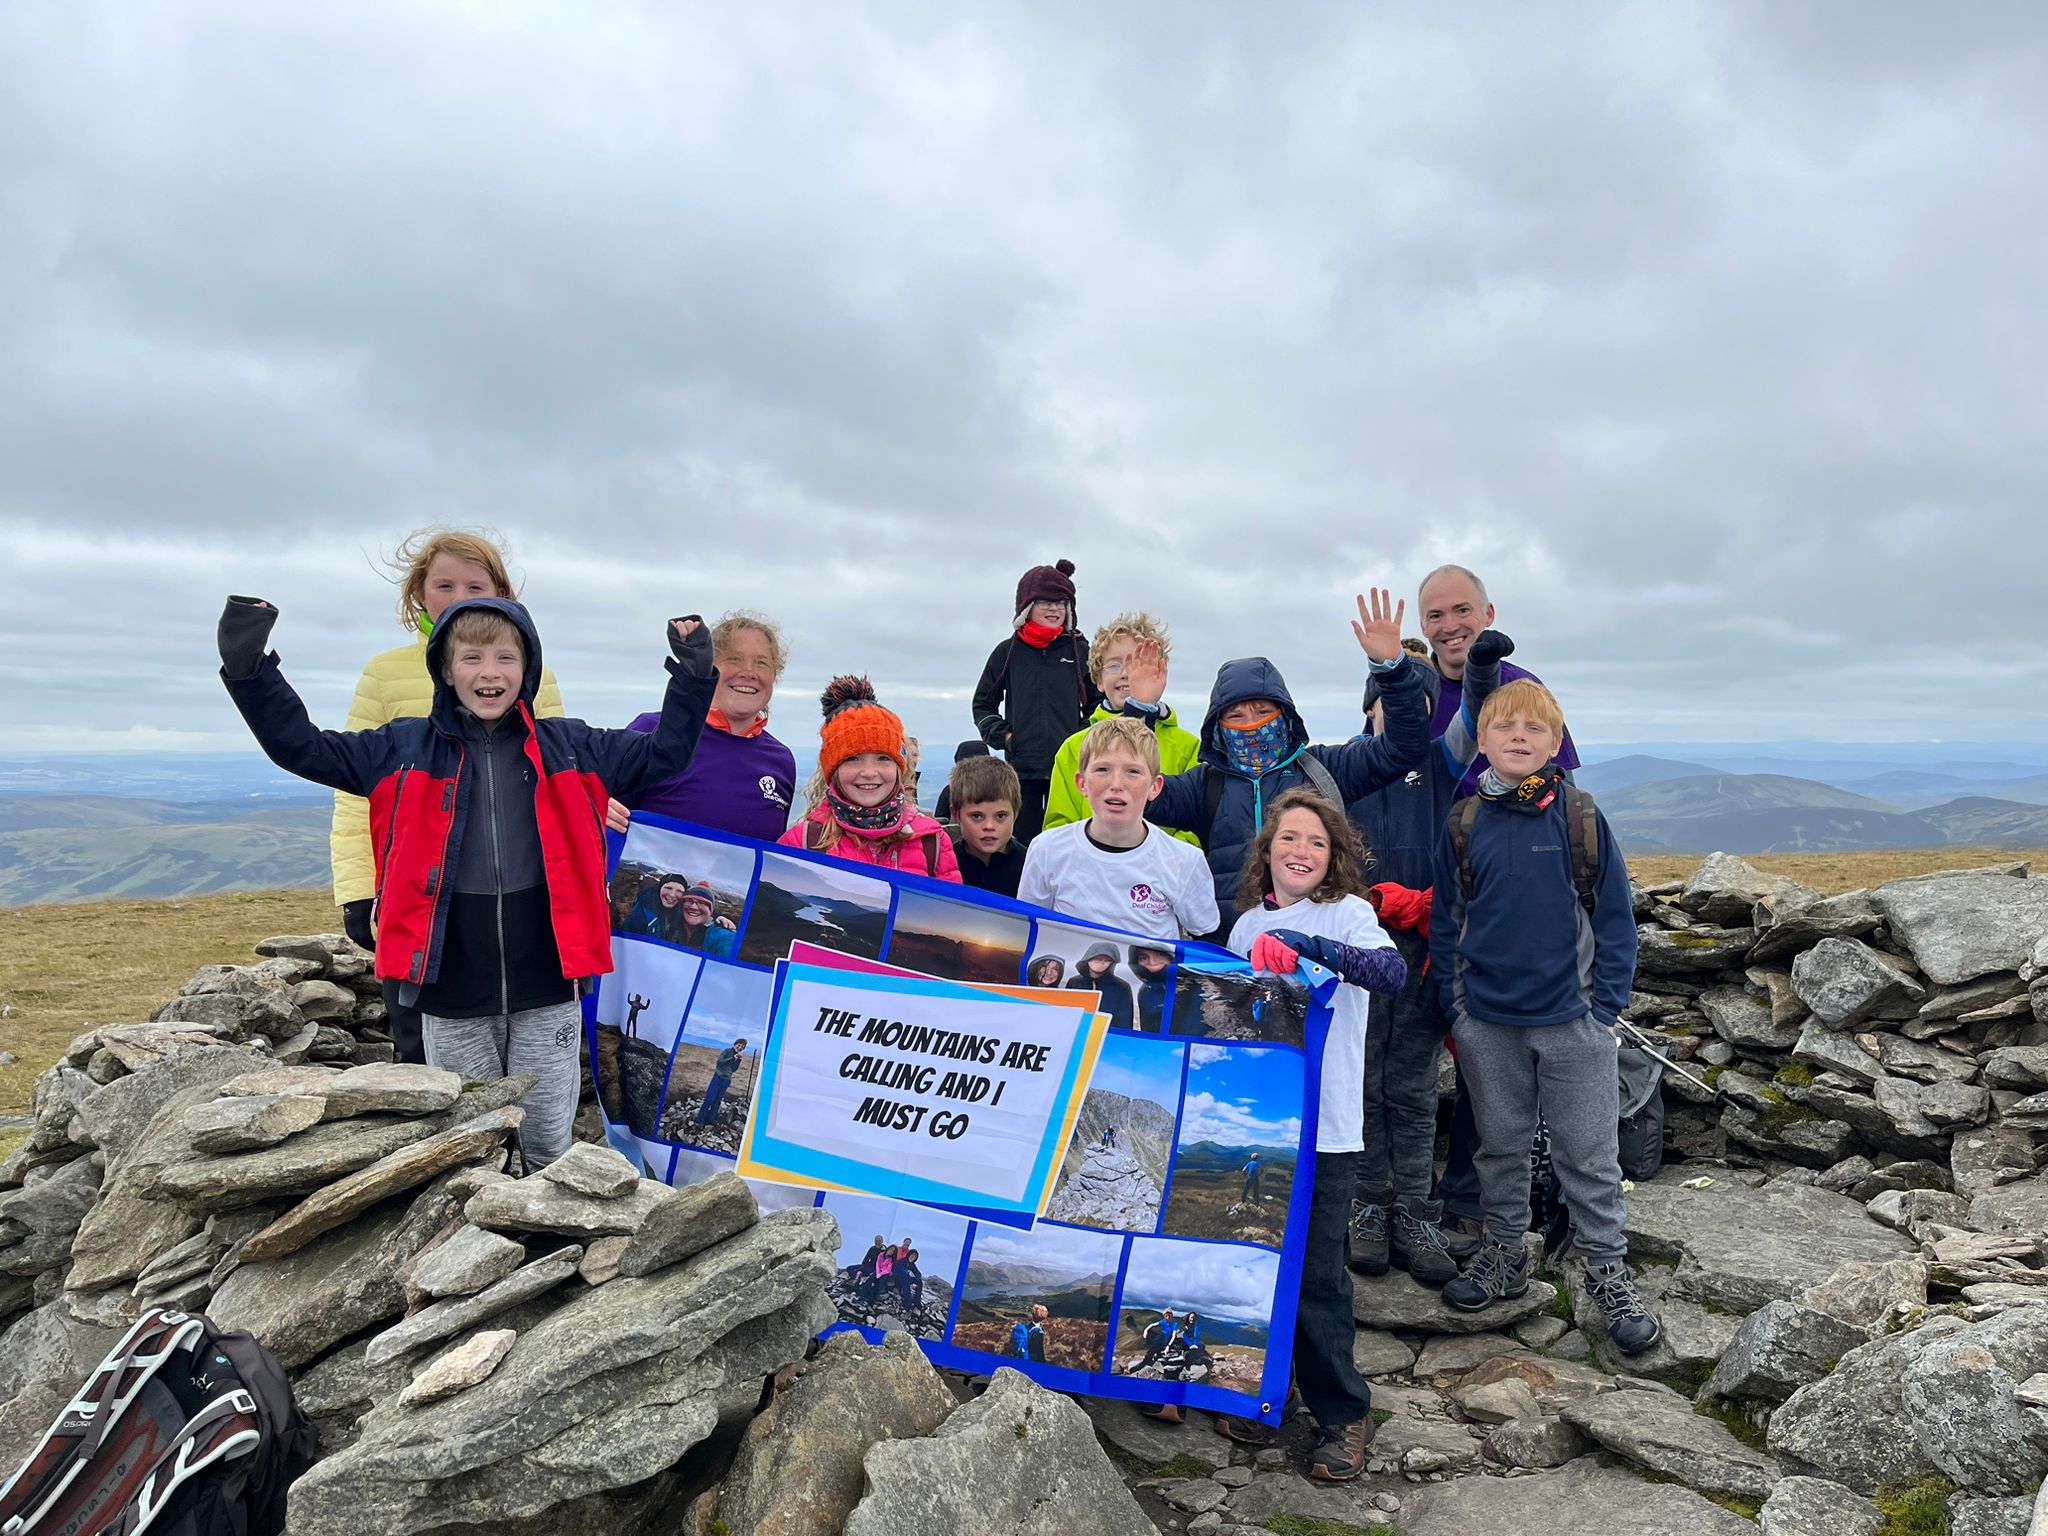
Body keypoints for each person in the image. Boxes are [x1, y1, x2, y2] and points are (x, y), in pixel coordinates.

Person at [218, 594, 714, 1169]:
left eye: (506, 657)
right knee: (473, 1141)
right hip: (450, 981)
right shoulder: (399, 747)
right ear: (446, 671)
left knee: (548, 1142)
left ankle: (552, 1248)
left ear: (526, 670)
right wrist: (249, 666)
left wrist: (693, 673)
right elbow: (300, 746)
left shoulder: (572, 745)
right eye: (472, 657)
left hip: (549, 976)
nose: (489, 672)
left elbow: (667, 754)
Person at [1430, 681, 1659, 1354]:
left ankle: (1608, 1275)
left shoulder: (1579, 818)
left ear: (1556, 743)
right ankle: (1504, 1257)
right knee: (1499, 1146)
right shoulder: (1466, 820)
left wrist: (1603, 1010)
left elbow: (1617, 921)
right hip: (1490, 1023)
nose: (1520, 738)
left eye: (1535, 729)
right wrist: (1458, 1007)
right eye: (1505, 728)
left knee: (1587, 1156)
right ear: (1484, 742)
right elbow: (1449, 921)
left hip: (1572, 1024)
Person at [331, 528, 566, 1065]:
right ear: (418, 594)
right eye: (443, 585)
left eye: (475, 585)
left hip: (510, 895)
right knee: (417, 1040)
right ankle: (433, 1147)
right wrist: (356, 886)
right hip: (414, 891)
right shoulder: (385, 672)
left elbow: (560, 785)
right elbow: (353, 792)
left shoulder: (532, 673)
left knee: (513, 1038)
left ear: (502, 594)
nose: (458, 598)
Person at [1225, 788, 1407, 1479]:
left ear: (1334, 859)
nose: (1301, 851)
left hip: (1327, 1130)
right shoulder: (1243, 929)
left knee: (1320, 1277)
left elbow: (1390, 973)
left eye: (1317, 843)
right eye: (1289, 839)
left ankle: (1344, 1412)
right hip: (1262, 1126)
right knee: (1259, 1266)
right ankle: (1273, 1390)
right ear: (1266, 850)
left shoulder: (1350, 915)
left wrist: (1305, 944)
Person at [1342, 630, 1511, 1287]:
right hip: (1359, 951)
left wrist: (1482, 667)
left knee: (1412, 1086)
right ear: (1370, 708)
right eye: (1390, 699)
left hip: (1426, 953)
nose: (1401, 710)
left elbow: (1475, 713)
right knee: (1359, 1083)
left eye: (1414, 699)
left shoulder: (1441, 763)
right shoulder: (1345, 769)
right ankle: (1367, 1207)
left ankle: (1414, 1212)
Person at [1148, 591, 1429, 935]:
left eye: (1263, 712)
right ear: (1216, 726)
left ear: (1286, 715)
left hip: (1318, 947)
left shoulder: (1326, 768)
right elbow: (1135, 794)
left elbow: (1404, 747)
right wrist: (1139, 713)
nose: (1251, 724)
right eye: (1235, 715)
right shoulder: (1204, 785)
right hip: (1231, 951)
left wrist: (1393, 671)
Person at [1018, 717, 1219, 941]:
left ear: (1155, 787)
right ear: (1081, 783)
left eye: (1132, 772)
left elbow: (1205, 938)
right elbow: (1027, 932)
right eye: (1102, 769)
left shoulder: (1184, 860)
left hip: (1152, 977)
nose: (1116, 784)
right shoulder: (1046, 850)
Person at [610, 610, 796, 841]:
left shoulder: (781, 760)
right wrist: (597, 807)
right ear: (709, 666)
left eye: (762, 663)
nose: (749, 672)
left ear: (774, 675)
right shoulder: (653, 730)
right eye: (733, 659)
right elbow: (594, 808)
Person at [1416, 565, 1580, 797]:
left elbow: (1563, 793)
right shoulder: (1408, 695)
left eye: (1462, 610)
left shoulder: (1523, 690)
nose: (1450, 626)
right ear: (1423, 626)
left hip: (1509, 830)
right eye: (1435, 615)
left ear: (1488, 614)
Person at [971, 559, 1099, 845]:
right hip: (1021, 771)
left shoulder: (1080, 650)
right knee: (1023, 846)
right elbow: (982, 704)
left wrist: (1080, 738)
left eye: (1062, 603)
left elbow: (1098, 703)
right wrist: (1005, 737)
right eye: (1046, 602)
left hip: (1070, 769)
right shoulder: (1007, 652)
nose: (1055, 609)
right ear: (1027, 607)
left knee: (1069, 843)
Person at [781, 678, 960, 879]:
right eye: (853, 759)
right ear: (833, 770)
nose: (869, 772)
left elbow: (947, 910)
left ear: (900, 768)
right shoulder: (803, 842)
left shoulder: (932, 842)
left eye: (883, 758)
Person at [1044, 616, 1201, 845]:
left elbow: (1196, 824)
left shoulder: (1188, 747)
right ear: (1098, 680)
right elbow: (1058, 825)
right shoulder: (1073, 747)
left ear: (1160, 674)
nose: (1126, 674)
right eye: (1114, 665)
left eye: (1136, 664)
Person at [949, 755, 1027, 898]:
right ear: (956, 814)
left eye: (1001, 816)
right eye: (977, 816)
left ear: (1015, 814)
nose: (989, 826)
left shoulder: (1030, 866)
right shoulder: (946, 865)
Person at [1067, 942, 1136, 1032]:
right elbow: (1067, 1015)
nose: (1102, 962)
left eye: (1107, 960)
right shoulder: (1074, 983)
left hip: (1108, 1038)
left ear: (1112, 963)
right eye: (1097, 958)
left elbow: (1125, 1024)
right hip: (1077, 1036)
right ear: (1088, 958)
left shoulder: (1122, 987)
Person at [696, 1038, 749, 1124]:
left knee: (717, 1101)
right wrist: (732, 1058)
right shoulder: (727, 1051)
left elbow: (734, 1069)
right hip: (718, 1078)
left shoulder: (737, 1056)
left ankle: (711, 1120)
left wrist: (738, 1061)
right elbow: (720, 1062)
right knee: (709, 1099)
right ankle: (700, 1120)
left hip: (726, 1080)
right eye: (739, 1045)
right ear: (735, 1044)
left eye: (742, 1047)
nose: (740, 1048)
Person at [1130, 944, 1175, 1031]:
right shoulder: (1144, 991)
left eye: (1160, 955)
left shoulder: (1196, 984)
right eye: (1144, 958)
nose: (1153, 962)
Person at [895, 1247, 924, 1313]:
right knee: (906, 1282)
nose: (912, 1257)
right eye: (912, 1255)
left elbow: (918, 1274)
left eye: (914, 1257)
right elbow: (901, 1272)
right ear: (909, 1255)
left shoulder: (912, 1265)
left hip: (908, 1279)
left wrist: (916, 1281)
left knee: (920, 1282)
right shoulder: (902, 1261)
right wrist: (911, 1282)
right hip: (898, 1279)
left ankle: (917, 1300)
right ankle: (907, 1303)